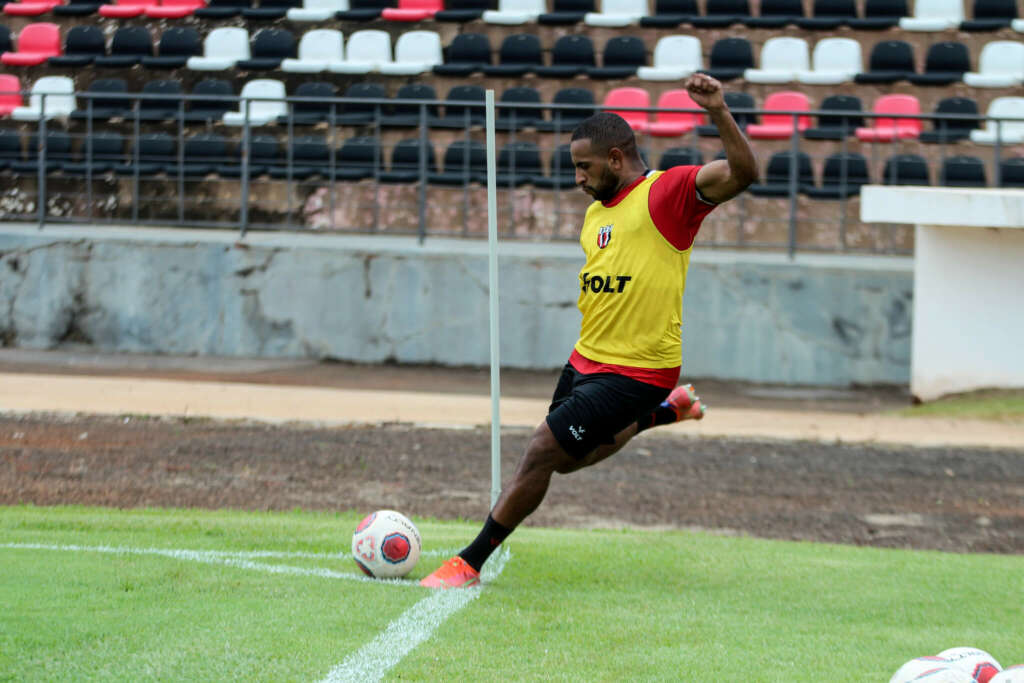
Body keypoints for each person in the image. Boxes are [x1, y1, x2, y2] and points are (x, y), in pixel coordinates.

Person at [420, 73, 758, 589]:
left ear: (617, 159)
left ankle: (467, 562)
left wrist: (718, 111)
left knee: (540, 451)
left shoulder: (667, 193)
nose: (578, 178)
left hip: (640, 368)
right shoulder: (597, 213)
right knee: (566, 461)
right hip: (585, 359)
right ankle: (668, 412)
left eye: (585, 166)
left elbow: (743, 173)